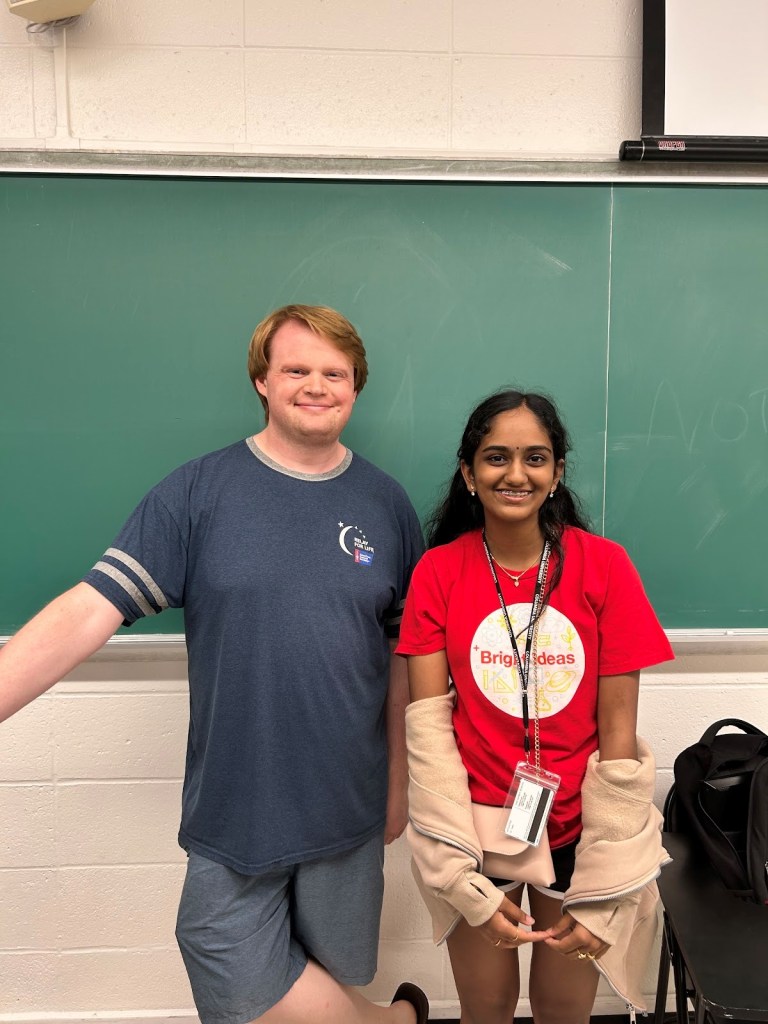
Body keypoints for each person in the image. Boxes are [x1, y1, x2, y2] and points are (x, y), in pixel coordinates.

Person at [0, 305, 429, 1024]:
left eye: (335, 373)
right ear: (262, 379)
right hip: (238, 800)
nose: (316, 386)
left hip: (348, 800)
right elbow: (88, 609)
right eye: (296, 369)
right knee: (221, 950)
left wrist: (399, 784)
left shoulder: (386, 504)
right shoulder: (198, 491)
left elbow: (401, 661)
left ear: (356, 385)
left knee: (334, 969)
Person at [396, 389, 674, 1024]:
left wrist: (609, 871)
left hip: (576, 827)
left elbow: (619, 734)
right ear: (469, 473)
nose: (515, 474)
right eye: (496, 457)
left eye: (535, 458)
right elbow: (428, 729)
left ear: (557, 472)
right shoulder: (438, 572)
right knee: (486, 1007)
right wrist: (454, 871)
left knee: (562, 1009)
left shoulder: (605, 567)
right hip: (474, 830)